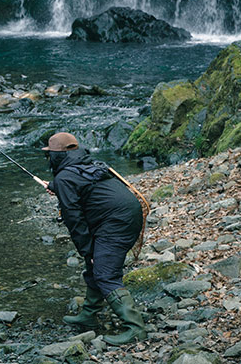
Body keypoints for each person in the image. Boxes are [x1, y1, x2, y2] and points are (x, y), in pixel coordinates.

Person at [42, 132, 146, 345]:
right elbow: (84, 183)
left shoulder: (65, 178)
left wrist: (87, 251)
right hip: (129, 214)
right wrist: (55, 186)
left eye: (49, 155)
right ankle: (89, 314)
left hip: (115, 223)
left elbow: (75, 221)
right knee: (97, 265)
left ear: (56, 156)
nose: (48, 159)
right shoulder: (91, 162)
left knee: (105, 272)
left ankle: (135, 328)